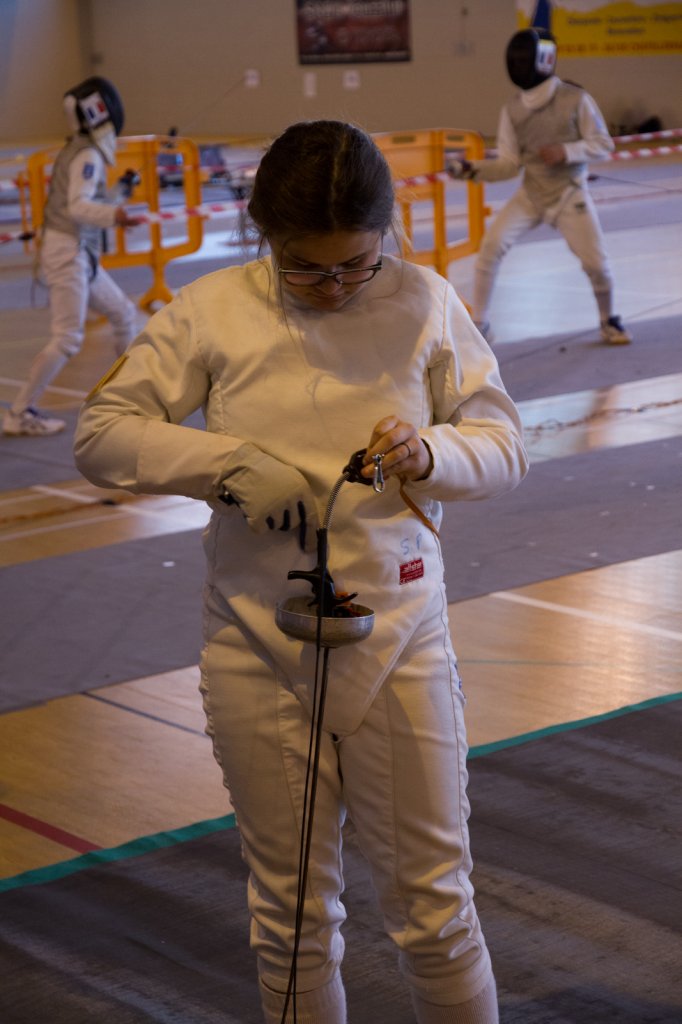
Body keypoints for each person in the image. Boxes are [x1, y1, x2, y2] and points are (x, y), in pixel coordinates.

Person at [74, 120, 528, 1024]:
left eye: (355, 264)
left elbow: (505, 444)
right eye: (305, 268)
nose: (333, 287)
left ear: (385, 233)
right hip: (257, 642)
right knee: (290, 921)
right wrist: (225, 463)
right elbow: (102, 433)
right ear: (265, 236)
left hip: (400, 634)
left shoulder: (427, 301)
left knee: (436, 908)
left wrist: (431, 452)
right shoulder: (212, 309)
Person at [448, 27, 632, 346]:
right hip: (531, 194)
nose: (519, 65)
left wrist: (567, 151)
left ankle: (608, 320)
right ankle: (481, 324)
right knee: (491, 246)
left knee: (597, 265)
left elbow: (604, 144)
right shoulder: (513, 109)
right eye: (516, 60)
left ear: (544, 60)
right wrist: (471, 169)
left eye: (524, 59)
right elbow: (508, 164)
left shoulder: (576, 99)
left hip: (569, 192)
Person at [2, 76, 141, 437]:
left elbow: (86, 202)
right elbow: (78, 208)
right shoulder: (88, 154)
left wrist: (121, 191)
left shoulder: (79, 149)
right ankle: (19, 413)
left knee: (123, 313)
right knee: (67, 338)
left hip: (78, 251)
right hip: (68, 252)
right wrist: (116, 215)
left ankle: (132, 397)